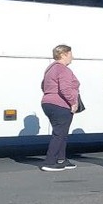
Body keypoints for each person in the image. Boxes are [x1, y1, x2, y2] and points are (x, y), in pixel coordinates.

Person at [40, 44, 80, 172]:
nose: (72, 57)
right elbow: (65, 88)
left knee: (61, 132)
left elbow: (43, 85)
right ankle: (50, 161)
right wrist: (73, 102)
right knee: (59, 133)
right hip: (60, 104)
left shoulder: (50, 69)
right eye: (70, 54)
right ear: (63, 54)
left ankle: (61, 159)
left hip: (48, 102)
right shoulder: (63, 70)